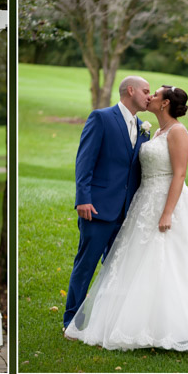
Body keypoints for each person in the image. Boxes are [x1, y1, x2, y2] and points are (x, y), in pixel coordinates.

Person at [67, 86, 188, 353]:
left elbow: (179, 175)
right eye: (148, 92)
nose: (150, 97)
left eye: (155, 94)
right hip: (141, 203)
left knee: (167, 263)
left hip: (164, 203)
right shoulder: (154, 131)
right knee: (130, 264)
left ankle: (172, 328)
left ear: (165, 103)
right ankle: (111, 321)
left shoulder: (178, 132)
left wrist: (168, 211)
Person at [61, 75, 151, 333]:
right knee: (86, 264)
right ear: (130, 90)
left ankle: (106, 321)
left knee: (116, 268)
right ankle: (71, 321)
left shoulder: (144, 127)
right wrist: (83, 200)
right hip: (97, 209)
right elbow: (84, 161)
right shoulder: (101, 118)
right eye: (145, 91)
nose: (149, 96)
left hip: (127, 211)